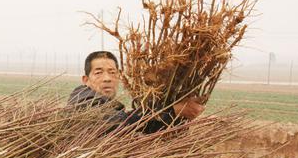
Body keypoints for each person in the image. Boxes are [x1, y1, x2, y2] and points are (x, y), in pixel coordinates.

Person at [68, 51, 204, 133]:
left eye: (112, 72)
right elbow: (119, 124)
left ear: (119, 77)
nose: (107, 78)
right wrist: (172, 111)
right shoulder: (83, 100)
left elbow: (130, 122)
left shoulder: (108, 105)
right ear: (86, 80)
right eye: (98, 72)